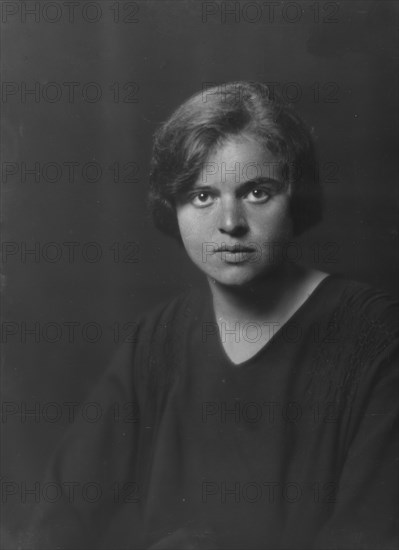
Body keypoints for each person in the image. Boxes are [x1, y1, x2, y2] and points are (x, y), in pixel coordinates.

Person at [24, 81, 398, 549]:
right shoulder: (158, 340)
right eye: (202, 196)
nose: (230, 223)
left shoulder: (375, 336)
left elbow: (370, 533)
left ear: (297, 196)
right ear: (172, 208)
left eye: (257, 192)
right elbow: (65, 508)